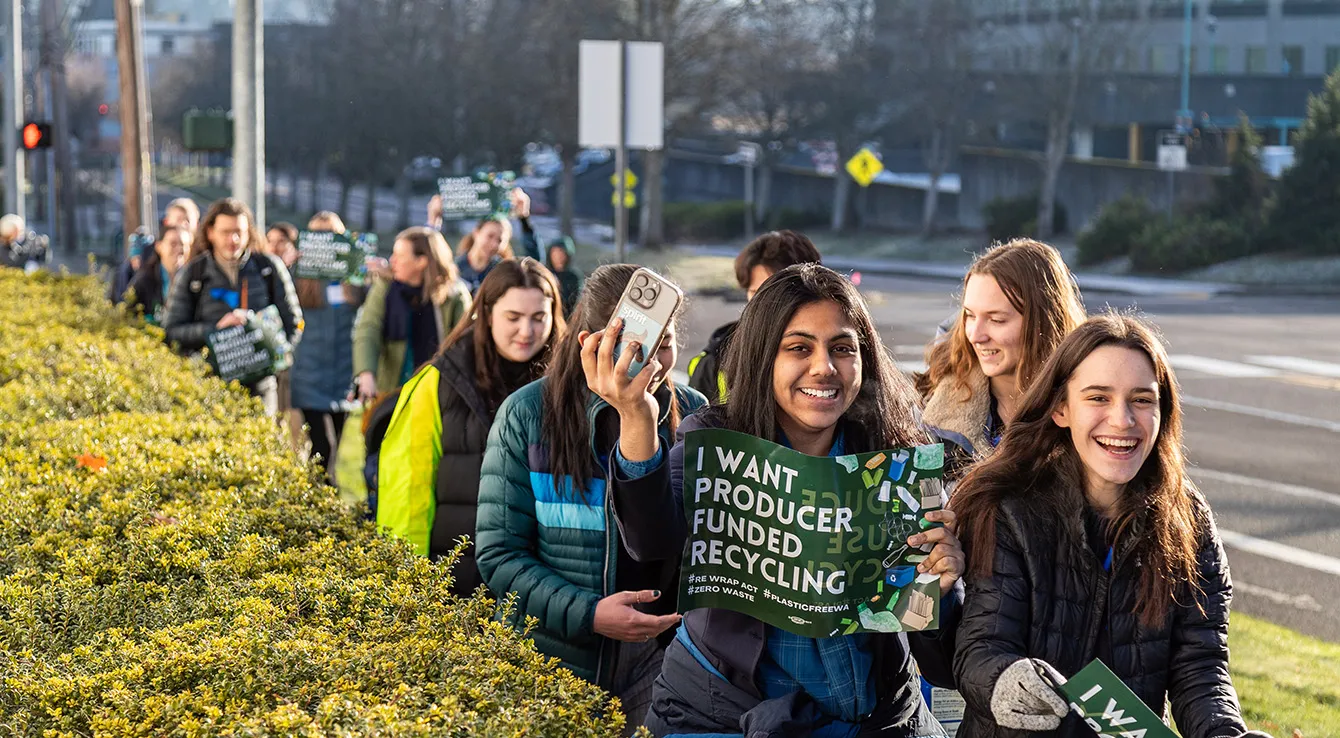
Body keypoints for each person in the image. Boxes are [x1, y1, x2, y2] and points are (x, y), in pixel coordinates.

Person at [606, 264, 965, 736]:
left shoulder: (899, 461)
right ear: (763, 358)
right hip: (719, 717)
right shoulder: (715, 442)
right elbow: (650, 542)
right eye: (798, 348)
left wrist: (941, 595)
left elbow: (943, 667)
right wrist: (635, 419)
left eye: (842, 348)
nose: (824, 367)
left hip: (884, 721)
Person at [951, 315, 1272, 738]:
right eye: (1098, 398)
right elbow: (980, 646)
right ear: (1061, 408)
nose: (1122, 420)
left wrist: (1225, 733)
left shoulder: (1188, 520)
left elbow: (1201, 668)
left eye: (1142, 400)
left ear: (1163, 412)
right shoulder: (1009, 507)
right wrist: (1004, 679)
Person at [475, 264, 707, 732]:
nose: (656, 364)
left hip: (664, 659)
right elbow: (499, 554)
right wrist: (589, 614)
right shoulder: (527, 414)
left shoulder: (695, 413)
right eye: (637, 347)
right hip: (554, 657)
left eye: (665, 343)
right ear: (590, 343)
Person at [378, 258, 565, 596]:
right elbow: (406, 495)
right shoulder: (435, 384)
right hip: (457, 588)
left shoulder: (573, 388)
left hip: (547, 594)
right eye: (513, 317)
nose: (527, 331)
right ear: (487, 312)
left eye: (539, 318)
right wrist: (410, 585)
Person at [916, 239, 1085, 480]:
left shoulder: (1092, 404)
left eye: (996, 320)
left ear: (1043, 322)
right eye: (970, 316)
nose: (975, 335)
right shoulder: (930, 407)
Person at [162, 198, 303, 416]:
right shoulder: (192, 274)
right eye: (226, 232)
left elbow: (294, 323)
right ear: (210, 233)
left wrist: (271, 348)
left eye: (239, 231)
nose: (233, 239)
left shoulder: (269, 268)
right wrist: (214, 330)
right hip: (208, 389)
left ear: (249, 233)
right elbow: (170, 331)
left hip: (262, 390)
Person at [685, 230, 822, 404]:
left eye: (777, 293)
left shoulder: (843, 356)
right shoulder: (715, 361)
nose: (764, 303)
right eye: (757, 293)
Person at [352, 226, 472, 402]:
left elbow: (467, 343)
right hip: (392, 388)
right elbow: (368, 329)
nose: (391, 261)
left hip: (439, 391)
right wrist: (366, 375)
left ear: (421, 262)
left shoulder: (454, 295)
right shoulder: (385, 287)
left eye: (399, 256)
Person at [288, 212, 364, 482]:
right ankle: (322, 501)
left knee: (335, 450)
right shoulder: (298, 277)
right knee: (324, 446)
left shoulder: (354, 281)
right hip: (309, 375)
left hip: (342, 374)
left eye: (331, 236)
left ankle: (321, 501)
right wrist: (287, 266)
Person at [454, 189, 541, 292]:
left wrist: (524, 218)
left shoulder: (504, 272)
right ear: (476, 232)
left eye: (500, 240)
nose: (494, 244)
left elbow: (534, 265)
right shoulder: (454, 268)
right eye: (490, 236)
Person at [124, 224, 193, 325]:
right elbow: (127, 317)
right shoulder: (144, 280)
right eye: (173, 244)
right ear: (159, 246)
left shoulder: (195, 279)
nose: (179, 249)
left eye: (183, 245)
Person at [109, 227, 155, 303]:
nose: (137, 262)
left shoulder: (149, 274)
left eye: (140, 259)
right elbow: (113, 298)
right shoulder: (120, 274)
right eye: (135, 258)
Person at [546, 235, 584, 318]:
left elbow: (576, 301)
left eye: (561, 252)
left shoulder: (573, 276)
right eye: (555, 252)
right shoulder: (546, 273)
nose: (558, 256)